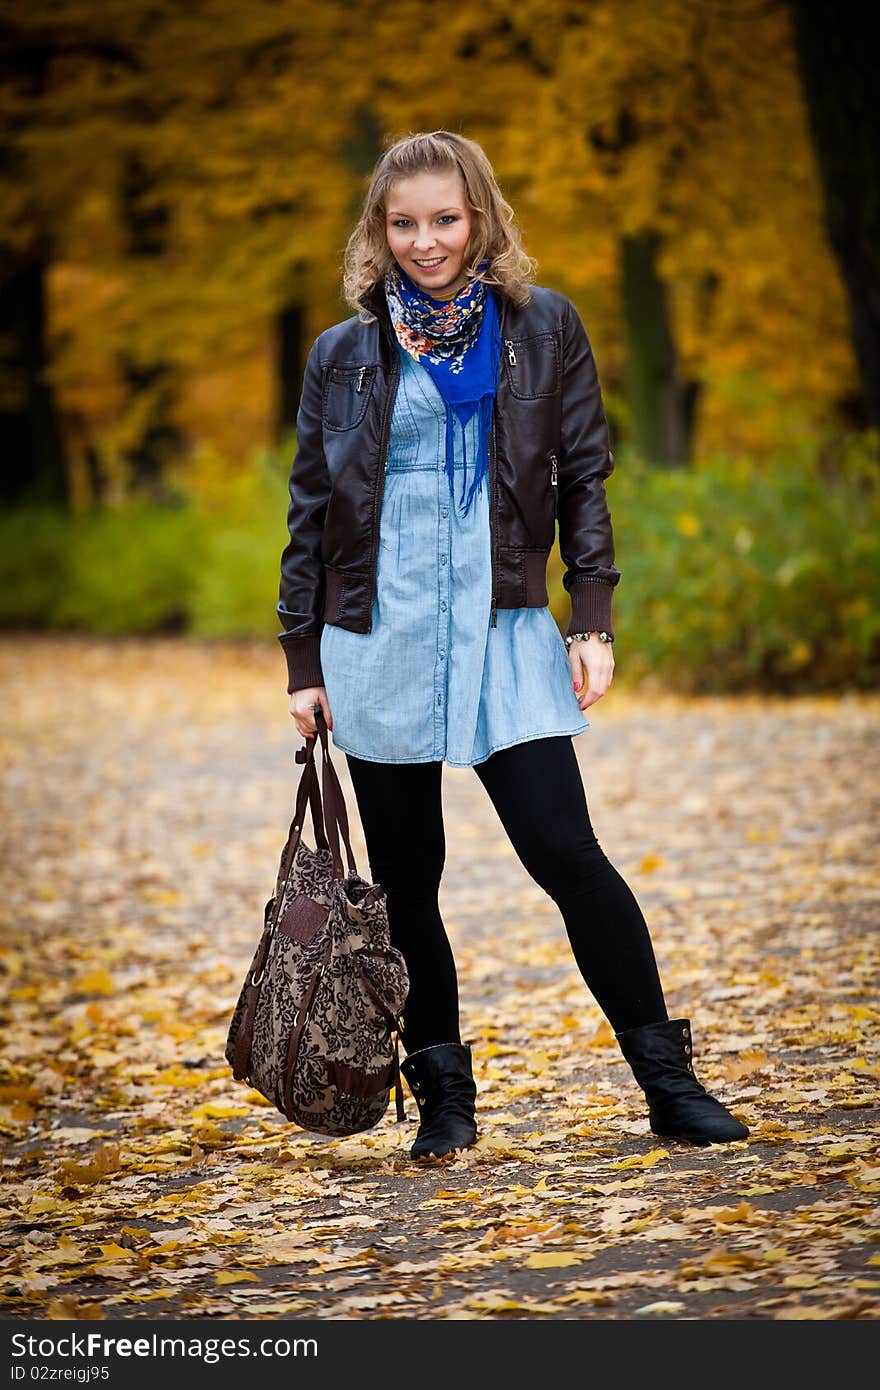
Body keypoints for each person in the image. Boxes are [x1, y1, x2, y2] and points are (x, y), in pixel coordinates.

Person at [277, 130, 748, 1159]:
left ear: (479, 217)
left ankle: (668, 1085)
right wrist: (302, 666)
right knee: (406, 881)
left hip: (500, 627)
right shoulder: (342, 352)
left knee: (567, 853)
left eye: (444, 218)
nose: (426, 240)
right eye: (403, 223)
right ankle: (445, 1101)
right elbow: (310, 510)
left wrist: (592, 615)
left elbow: (584, 473)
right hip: (379, 632)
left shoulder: (545, 329)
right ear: (378, 229)